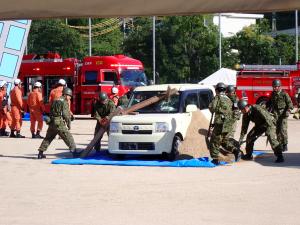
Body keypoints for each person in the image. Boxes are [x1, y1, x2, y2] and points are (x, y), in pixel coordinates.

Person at [37, 88, 78, 159]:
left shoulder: (56, 100)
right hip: (59, 123)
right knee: (68, 137)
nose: (70, 98)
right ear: (66, 95)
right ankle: (74, 153)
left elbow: (51, 111)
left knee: (48, 138)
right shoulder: (64, 102)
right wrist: (69, 124)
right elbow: (65, 115)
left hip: (52, 122)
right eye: (69, 96)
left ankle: (40, 153)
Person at [208, 82, 241, 165]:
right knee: (224, 141)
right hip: (228, 124)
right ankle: (236, 150)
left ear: (217, 90)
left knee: (214, 141)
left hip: (220, 123)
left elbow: (212, 108)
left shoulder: (217, 97)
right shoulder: (228, 98)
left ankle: (215, 159)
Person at [268, 79, 293, 152]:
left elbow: (290, 104)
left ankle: (285, 144)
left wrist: (288, 111)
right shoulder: (273, 94)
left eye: (276, 87)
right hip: (275, 115)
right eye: (273, 87)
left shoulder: (284, 94)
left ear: (279, 86)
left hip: (283, 115)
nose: (274, 88)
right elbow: (269, 103)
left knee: (283, 130)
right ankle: (280, 145)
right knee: (277, 131)